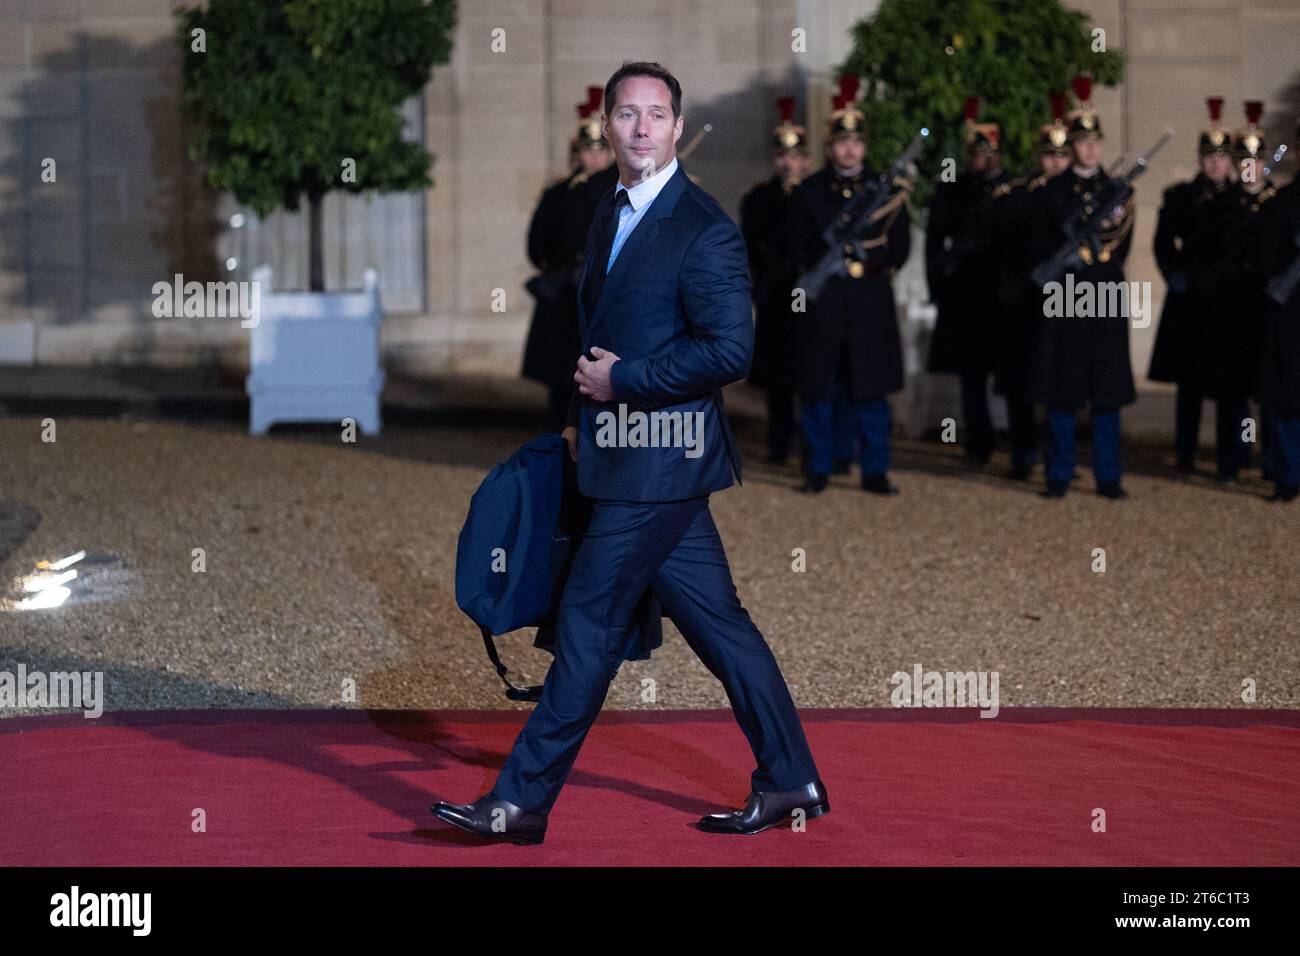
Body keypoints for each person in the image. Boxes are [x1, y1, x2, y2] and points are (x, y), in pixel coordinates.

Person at [433, 61, 827, 845]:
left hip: (662, 464)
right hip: (624, 454)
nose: (641, 128)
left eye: (656, 115)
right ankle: (790, 778)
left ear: (677, 128)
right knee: (721, 626)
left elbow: (731, 350)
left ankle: (520, 803)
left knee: (587, 622)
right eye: (626, 115)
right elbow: (595, 334)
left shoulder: (706, 228)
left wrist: (625, 382)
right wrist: (586, 415)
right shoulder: (607, 210)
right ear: (607, 127)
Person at [787, 74, 911, 495]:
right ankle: (817, 468)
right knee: (819, 388)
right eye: (842, 141)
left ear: (865, 146)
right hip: (824, 302)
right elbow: (797, 247)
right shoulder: (809, 191)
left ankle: (874, 470)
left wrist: (866, 258)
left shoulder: (887, 191)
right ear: (829, 146)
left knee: (871, 390)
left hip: (868, 299)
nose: (850, 148)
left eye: (857, 142)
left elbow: (900, 246)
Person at [1027, 75, 1137, 499]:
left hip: (1104, 290)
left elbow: (1122, 242)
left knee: (1106, 390)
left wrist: (1094, 256)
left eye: (1095, 142)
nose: (1090, 149)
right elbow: (1038, 243)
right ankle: (1058, 474)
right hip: (1064, 290)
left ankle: (1108, 476)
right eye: (1082, 142)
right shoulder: (1051, 191)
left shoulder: (1118, 191)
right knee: (1061, 390)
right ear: (1071, 145)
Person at [521, 88, 618, 431]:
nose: (591, 157)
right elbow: (537, 245)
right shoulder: (559, 192)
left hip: (599, 295)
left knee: (593, 377)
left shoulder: (615, 190)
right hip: (563, 291)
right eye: (585, 150)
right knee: (559, 378)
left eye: (598, 150)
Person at [1146, 97, 1234, 472]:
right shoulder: (1180, 197)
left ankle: (1233, 456)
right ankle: (1185, 452)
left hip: (1228, 301)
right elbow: (1163, 242)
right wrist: (1175, 276)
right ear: (1200, 159)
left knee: (1231, 384)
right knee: (1190, 384)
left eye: (1221, 156)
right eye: (1209, 156)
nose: (1215, 163)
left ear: (1230, 160)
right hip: (1191, 299)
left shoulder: (1241, 200)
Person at [926, 96, 1013, 466]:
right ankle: (978, 443)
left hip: (1005, 296)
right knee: (972, 378)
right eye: (977, 152)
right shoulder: (953, 188)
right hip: (965, 296)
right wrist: (938, 288)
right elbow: (934, 242)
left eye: (988, 152)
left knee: (1011, 375)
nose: (983, 159)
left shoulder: (1013, 189)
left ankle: (1021, 446)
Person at [990, 92, 1073, 480]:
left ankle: (1063, 459)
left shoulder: (1081, 198)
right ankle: (1024, 454)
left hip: (1066, 300)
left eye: (1062, 155)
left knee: (1062, 383)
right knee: (1021, 380)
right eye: (1048, 155)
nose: (1055, 163)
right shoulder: (1018, 196)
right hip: (1023, 301)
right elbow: (1002, 244)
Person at [1196, 101, 1279, 482]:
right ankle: (1232, 459)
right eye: (1243, 160)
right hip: (1230, 308)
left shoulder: (1276, 204)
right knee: (1233, 394)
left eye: (1256, 160)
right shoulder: (1221, 205)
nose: (1250, 167)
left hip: (1265, 306)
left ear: (1264, 163)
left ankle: (1270, 461)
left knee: (1269, 392)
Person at [740, 97, 811, 464]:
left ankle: (816, 448)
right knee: (778, 377)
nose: (788, 162)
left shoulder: (814, 194)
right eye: (782, 155)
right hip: (774, 293)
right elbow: (750, 243)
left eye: (796, 155)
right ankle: (779, 444)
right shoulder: (759, 198)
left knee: (811, 371)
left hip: (810, 295)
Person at [1247, 112, 1299, 502]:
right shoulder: (1282, 203)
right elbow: (1263, 261)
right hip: (1292, 314)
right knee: (1287, 400)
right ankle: (1288, 476)